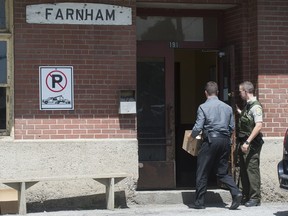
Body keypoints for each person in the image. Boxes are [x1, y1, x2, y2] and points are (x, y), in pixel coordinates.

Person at [189, 81, 242, 210]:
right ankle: (236, 192)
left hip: (210, 141)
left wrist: (191, 137)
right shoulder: (228, 108)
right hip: (225, 141)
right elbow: (231, 127)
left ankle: (199, 202)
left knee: (202, 171)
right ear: (217, 92)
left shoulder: (203, 107)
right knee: (222, 172)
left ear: (205, 93)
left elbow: (198, 126)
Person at [236, 81, 264, 207]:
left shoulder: (256, 107)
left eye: (240, 91)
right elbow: (248, 120)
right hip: (244, 142)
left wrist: (247, 142)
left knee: (251, 169)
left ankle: (255, 198)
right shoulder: (248, 105)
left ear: (246, 92)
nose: (240, 94)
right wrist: (240, 112)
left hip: (251, 144)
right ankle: (246, 195)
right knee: (244, 169)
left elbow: (258, 126)